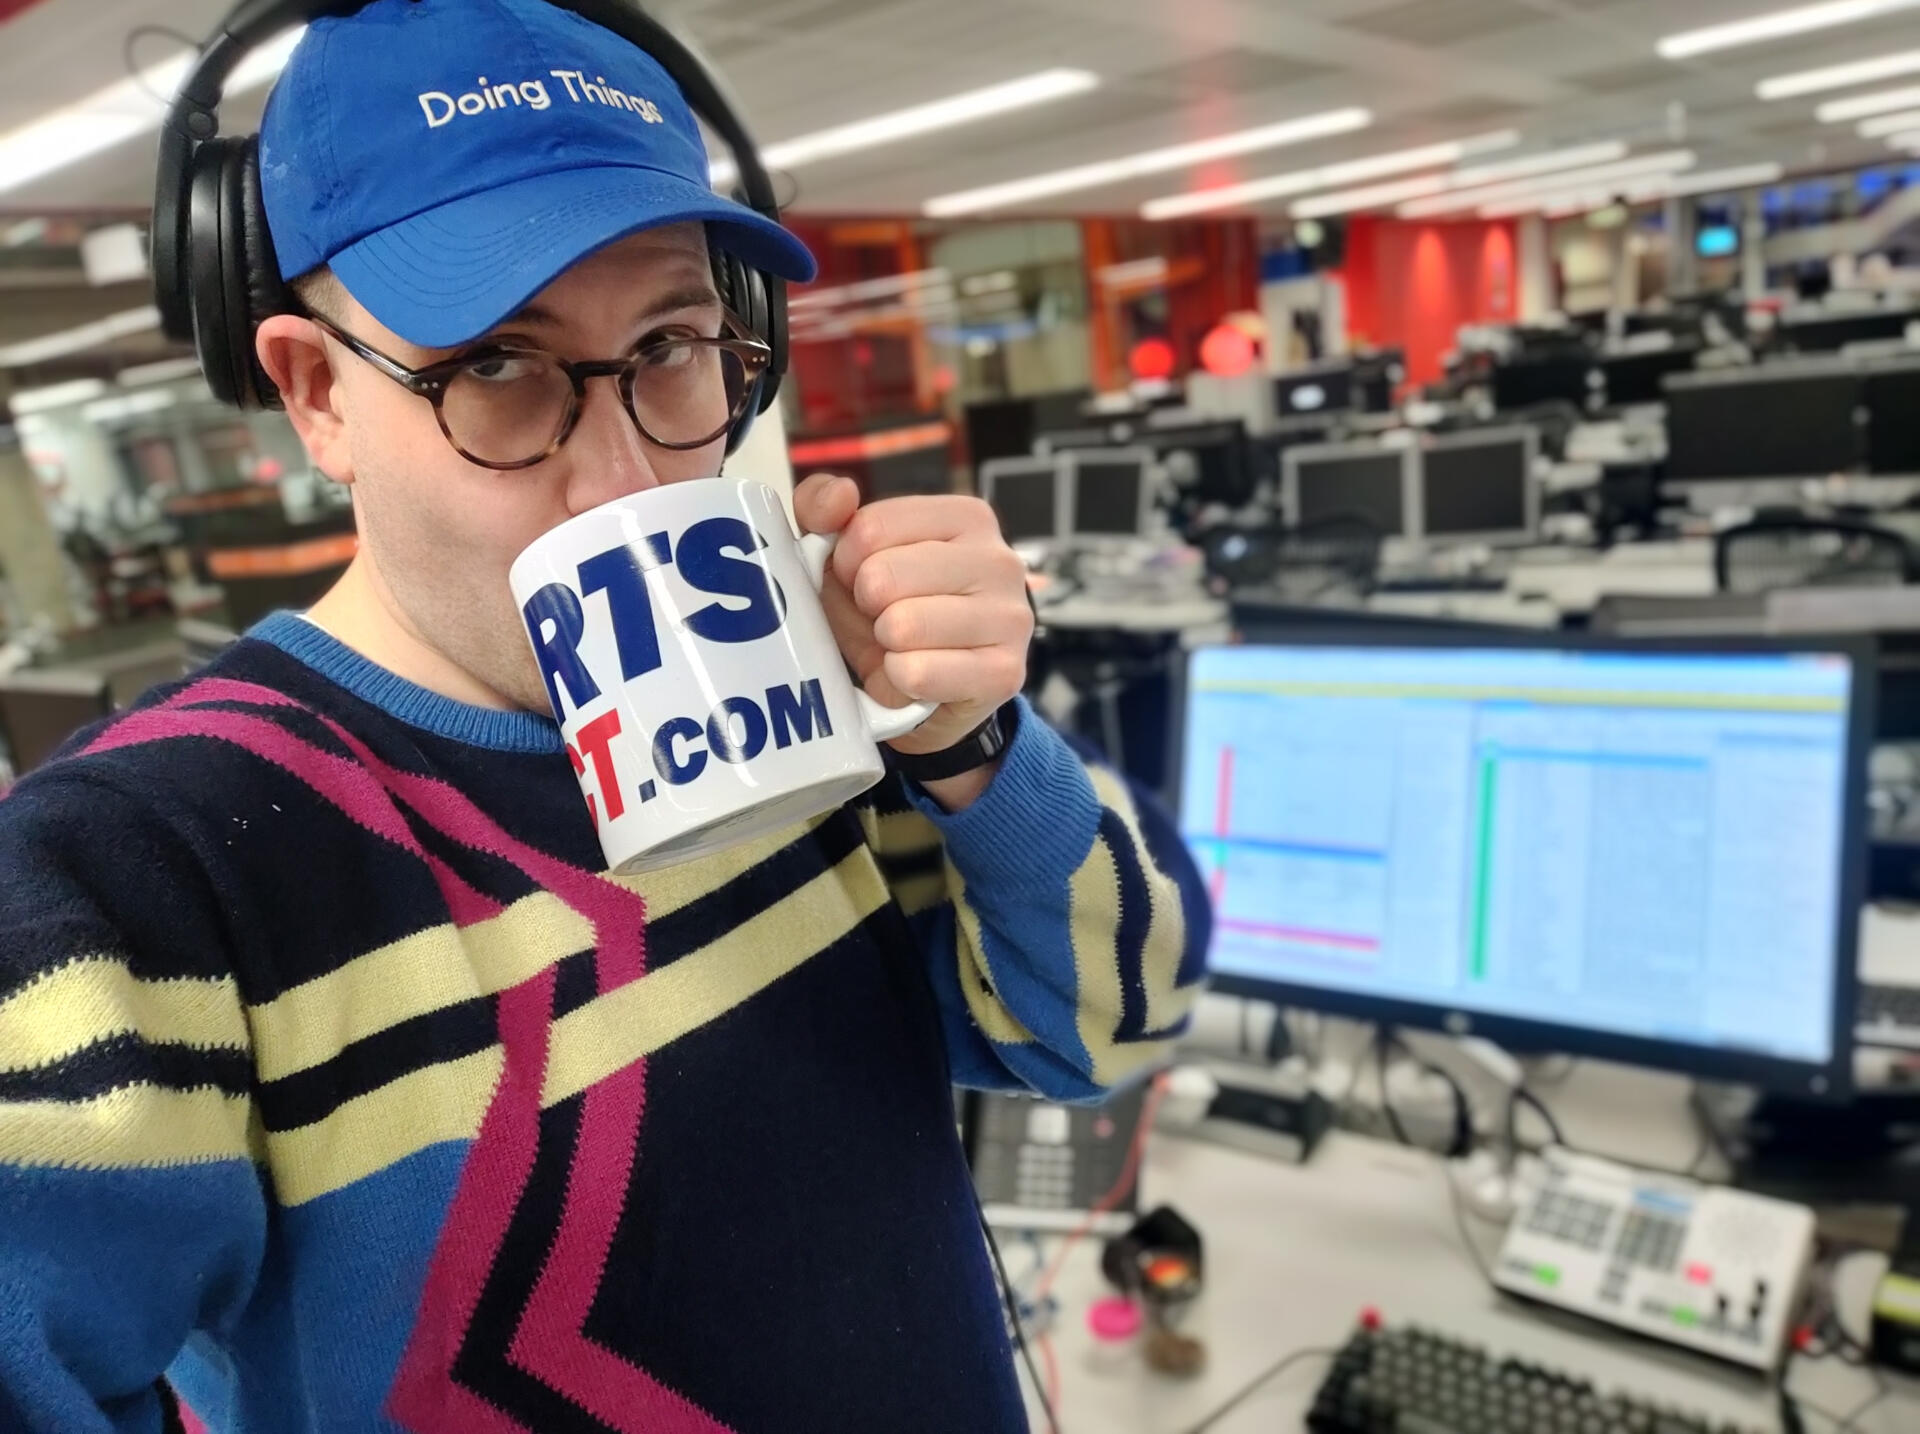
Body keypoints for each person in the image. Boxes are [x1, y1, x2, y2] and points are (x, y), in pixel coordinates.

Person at [0, 3, 1210, 1432]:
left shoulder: (810, 689)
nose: (628, 475)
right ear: (317, 393)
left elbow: (1121, 1022)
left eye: (673, 345)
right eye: (499, 368)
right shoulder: (139, 875)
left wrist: (965, 741)